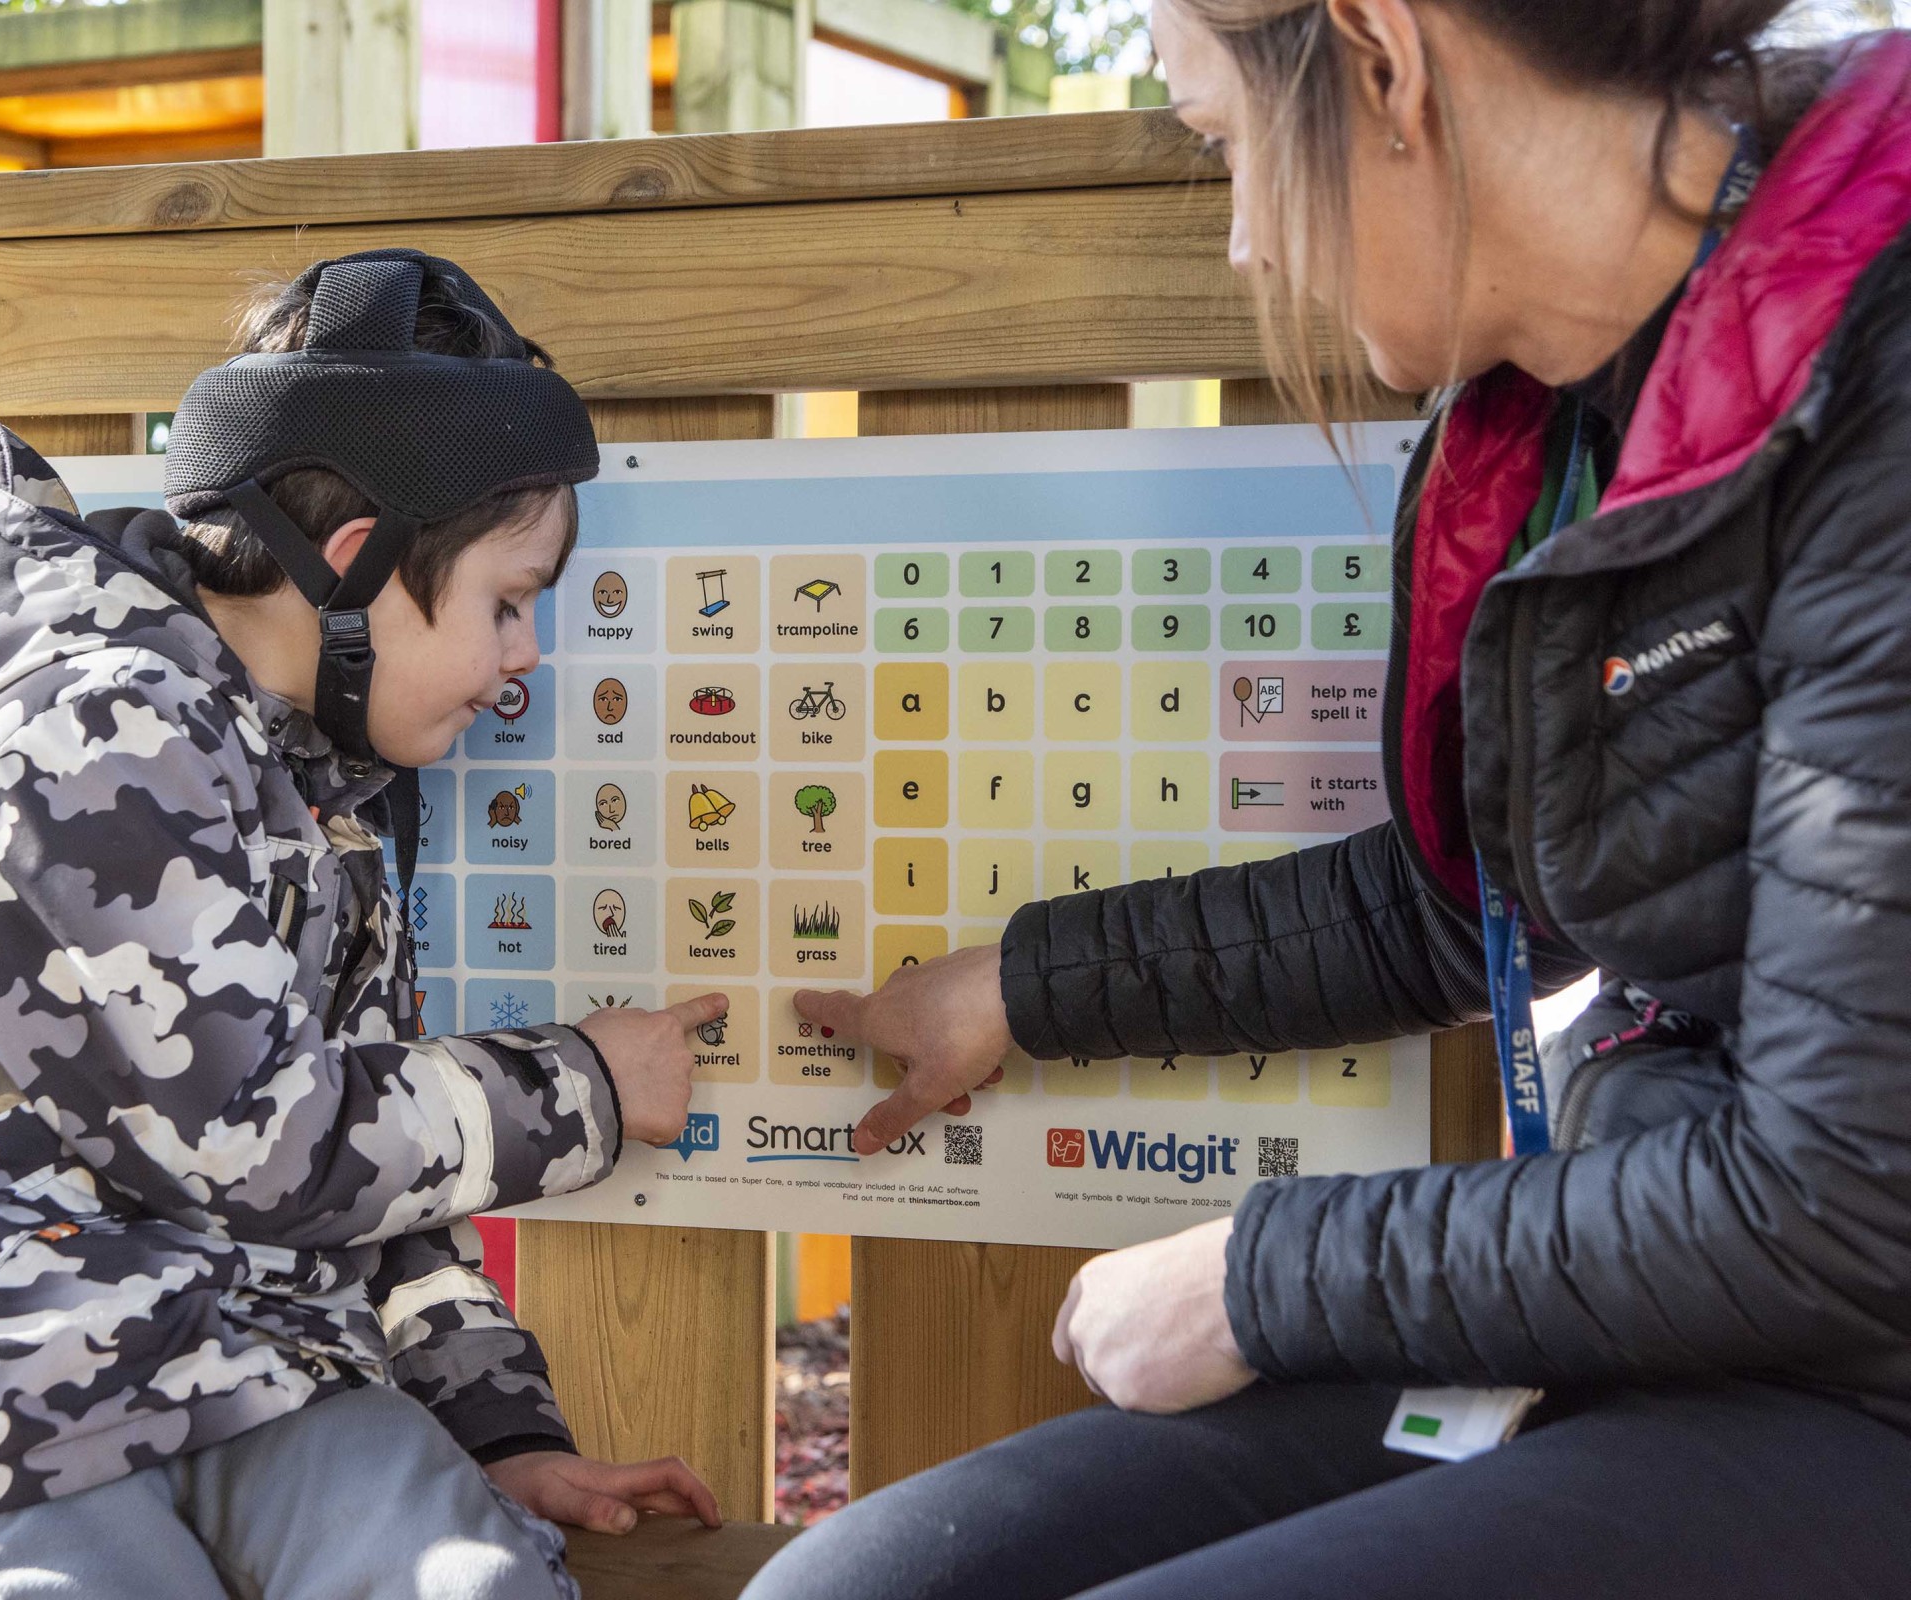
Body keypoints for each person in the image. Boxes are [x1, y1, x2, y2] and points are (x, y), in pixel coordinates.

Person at [751, 6, 1911, 1599]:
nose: (1240, 240)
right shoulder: (1578, 412)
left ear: (1383, 61)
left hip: (1845, 1351)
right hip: (1675, 1308)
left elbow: (1842, 1200)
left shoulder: (1877, 376)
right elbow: (1472, 898)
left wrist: (1258, 1276)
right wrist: (1018, 987)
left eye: (1222, 144)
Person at [0, 250, 727, 1599]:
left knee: (467, 1578)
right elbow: (263, 1137)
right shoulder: (99, 732)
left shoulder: (327, 802)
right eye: (508, 602)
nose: (525, 659)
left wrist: (493, 1428)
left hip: (249, 1365)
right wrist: (587, 1087)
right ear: (355, 559)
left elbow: (377, 1182)